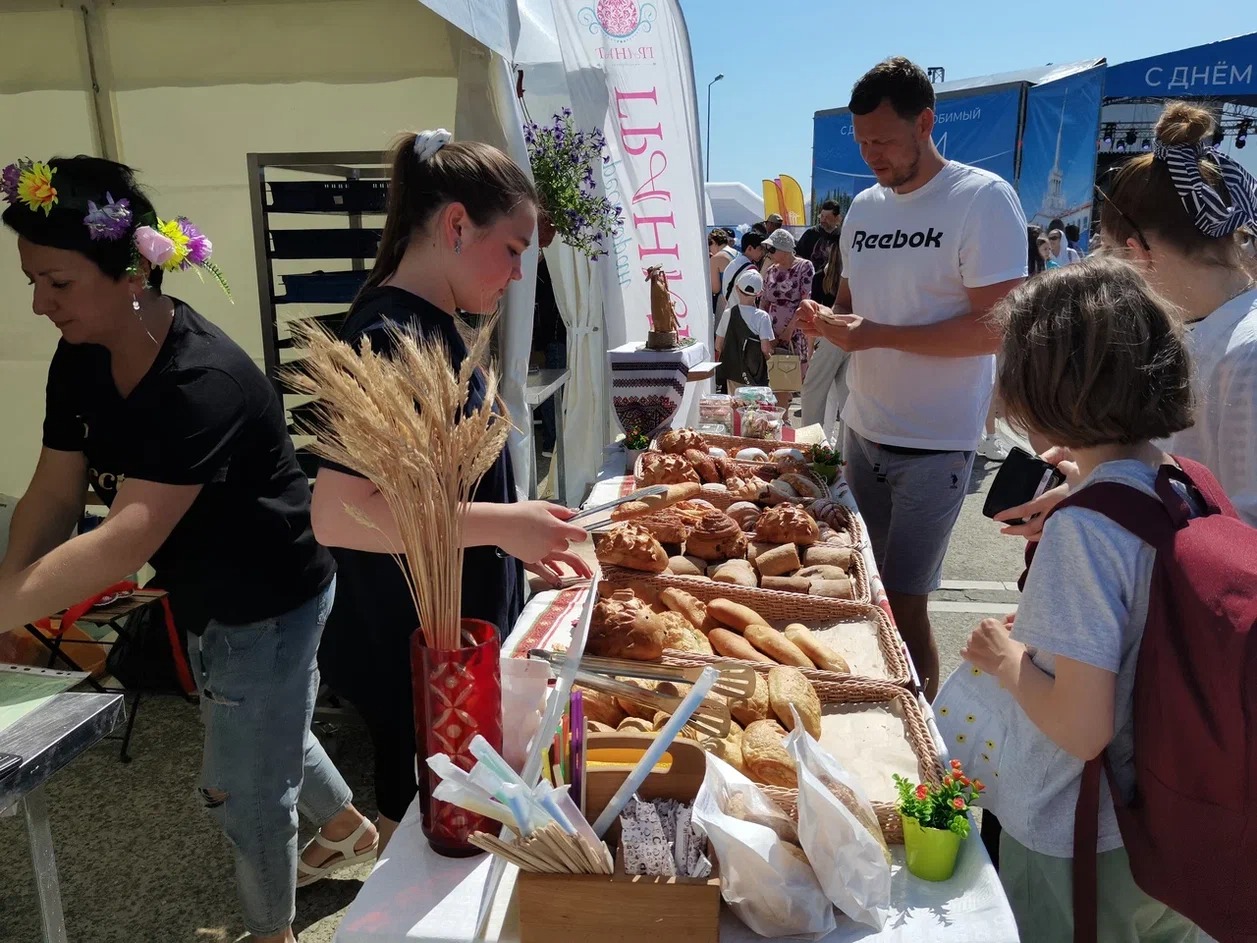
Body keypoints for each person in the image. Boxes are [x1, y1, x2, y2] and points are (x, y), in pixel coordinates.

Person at [0, 155, 372, 943]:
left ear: (132, 271)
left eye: (57, 282)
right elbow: (53, 494)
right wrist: (10, 593)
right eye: (31, 279)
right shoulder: (81, 357)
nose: (38, 303)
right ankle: (345, 827)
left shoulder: (202, 380)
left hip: (271, 597)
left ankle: (271, 931)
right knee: (264, 724)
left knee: (240, 786)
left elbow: (123, 540)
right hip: (204, 589)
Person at [310, 131, 592, 856]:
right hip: (417, 667)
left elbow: (430, 498)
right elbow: (339, 513)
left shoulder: (433, 328)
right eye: (514, 247)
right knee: (432, 858)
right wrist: (507, 525)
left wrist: (514, 554)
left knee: (462, 847)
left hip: (450, 655)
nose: (520, 271)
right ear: (456, 225)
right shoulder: (388, 334)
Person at [961, 258, 1197, 942]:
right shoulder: (1181, 484)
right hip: (1169, 824)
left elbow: (1079, 725)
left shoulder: (1082, 531)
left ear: (1042, 390)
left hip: (1074, 836)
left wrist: (1004, 657)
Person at [795, 56, 1027, 699]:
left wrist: (877, 335)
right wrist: (826, 320)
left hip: (936, 443)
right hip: (862, 431)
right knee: (860, 587)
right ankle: (871, 707)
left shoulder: (980, 199)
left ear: (926, 123)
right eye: (862, 141)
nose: (871, 155)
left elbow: (1000, 328)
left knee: (905, 601)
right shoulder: (864, 209)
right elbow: (852, 302)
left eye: (884, 141)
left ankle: (918, 732)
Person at [998, 100, 1257, 535]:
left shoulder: (1245, 354)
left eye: (1110, 253)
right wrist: (1097, 479)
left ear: (1135, 253)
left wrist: (1099, 494)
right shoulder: (1212, 334)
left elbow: (1239, 538)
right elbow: (1185, 486)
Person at [760, 227, 814, 408]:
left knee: (793, 374)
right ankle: (782, 415)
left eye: (772, 249)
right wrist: (763, 330)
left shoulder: (804, 267)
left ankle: (786, 412)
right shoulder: (770, 271)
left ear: (784, 249)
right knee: (776, 375)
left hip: (795, 329)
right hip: (772, 330)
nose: (769, 253)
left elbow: (805, 299)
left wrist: (789, 330)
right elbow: (765, 302)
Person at [801, 241, 850, 434]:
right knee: (847, 397)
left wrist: (810, 348)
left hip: (828, 334)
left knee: (814, 392)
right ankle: (844, 453)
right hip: (854, 332)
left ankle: (811, 447)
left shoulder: (822, 277)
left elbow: (816, 314)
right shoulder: (858, 276)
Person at [715, 267, 776, 392]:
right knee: (756, 408)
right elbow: (765, 348)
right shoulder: (762, 316)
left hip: (733, 371)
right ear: (759, 293)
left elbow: (718, 345)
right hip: (755, 373)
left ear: (737, 288)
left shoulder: (728, 314)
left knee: (735, 405)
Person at [796, 199, 844, 274]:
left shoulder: (842, 236)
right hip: (812, 280)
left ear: (837, 218)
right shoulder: (810, 234)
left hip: (834, 281)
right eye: (822, 216)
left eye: (827, 217)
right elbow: (798, 255)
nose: (823, 220)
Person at [720, 231, 766, 305]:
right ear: (750, 248)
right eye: (760, 249)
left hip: (731, 309)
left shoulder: (733, 263)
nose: (763, 252)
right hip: (744, 311)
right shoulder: (750, 270)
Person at [708, 228, 737, 316]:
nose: (709, 248)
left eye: (709, 244)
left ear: (714, 242)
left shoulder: (716, 258)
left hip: (725, 301)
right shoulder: (737, 254)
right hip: (740, 299)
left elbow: (715, 289)